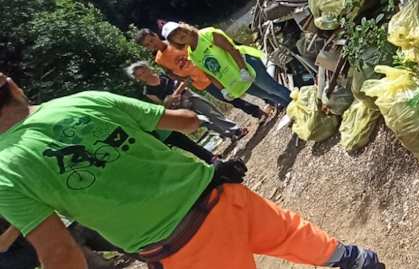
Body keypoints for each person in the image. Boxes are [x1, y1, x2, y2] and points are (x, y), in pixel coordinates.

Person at [0, 72, 382, 269]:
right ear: (14, 86)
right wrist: (183, 111)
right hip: (218, 194)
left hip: (180, 244)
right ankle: (355, 260)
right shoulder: (82, 100)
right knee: (289, 233)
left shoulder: (4, 172)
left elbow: (59, 251)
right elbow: (185, 123)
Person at [135, 28, 268, 120]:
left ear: (156, 35)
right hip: (201, 82)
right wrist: (184, 79)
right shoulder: (158, 59)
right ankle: (257, 112)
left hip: (216, 70)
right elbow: (170, 73)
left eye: (151, 40)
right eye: (147, 45)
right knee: (230, 99)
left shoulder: (176, 41)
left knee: (247, 85)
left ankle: (270, 100)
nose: (152, 45)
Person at [163, 22, 292, 110]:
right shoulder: (191, 54)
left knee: (273, 89)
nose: (179, 35)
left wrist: (242, 69)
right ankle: (293, 109)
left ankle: (302, 104)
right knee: (266, 95)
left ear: (183, 27)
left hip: (246, 64)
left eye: (178, 30)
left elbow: (231, 48)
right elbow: (209, 73)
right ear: (173, 42)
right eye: (173, 36)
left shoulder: (207, 34)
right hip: (235, 79)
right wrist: (223, 89)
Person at [127, 61, 247, 141]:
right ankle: (228, 134)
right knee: (204, 121)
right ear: (138, 79)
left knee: (211, 112)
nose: (144, 75)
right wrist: (170, 100)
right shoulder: (147, 91)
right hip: (178, 108)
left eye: (144, 71)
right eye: (140, 75)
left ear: (148, 68)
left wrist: (176, 93)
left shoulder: (163, 74)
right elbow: (163, 105)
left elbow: (185, 81)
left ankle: (236, 130)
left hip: (188, 95)